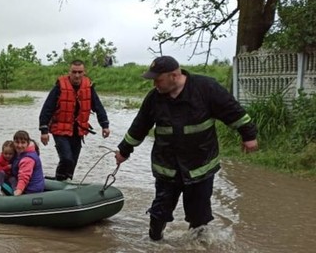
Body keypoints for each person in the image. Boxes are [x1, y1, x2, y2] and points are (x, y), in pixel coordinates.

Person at [114, 56, 258, 241]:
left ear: (174, 75)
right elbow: (139, 127)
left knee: (199, 216)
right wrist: (124, 151)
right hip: (167, 168)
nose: (154, 84)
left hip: (200, 166)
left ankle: (197, 245)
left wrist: (249, 136)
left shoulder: (206, 88)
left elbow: (233, 111)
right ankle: (154, 243)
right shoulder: (154, 99)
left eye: (158, 79)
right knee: (159, 212)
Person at [39, 59, 110, 181]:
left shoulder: (88, 87)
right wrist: (44, 130)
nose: (77, 75)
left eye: (80, 72)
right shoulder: (59, 87)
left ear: (84, 72)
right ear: (69, 72)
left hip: (78, 130)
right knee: (67, 159)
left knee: (73, 161)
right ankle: (60, 180)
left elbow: (98, 107)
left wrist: (105, 125)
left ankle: (65, 180)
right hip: (59, 129)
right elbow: (47, 108)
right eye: (74, 72)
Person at [12, 130, 44, 196]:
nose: (19, 145)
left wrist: (18, 191)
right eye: (17, 142)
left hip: (31, 191)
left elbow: (24, 177)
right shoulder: (21, 153)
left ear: (27, 143)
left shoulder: (27, 159)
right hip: (33, 187)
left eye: (23, 143)